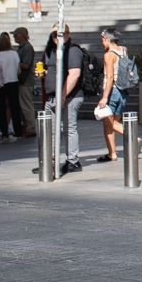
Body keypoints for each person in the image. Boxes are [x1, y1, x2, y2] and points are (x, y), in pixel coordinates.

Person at [36, 26, 84, 174]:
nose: (57, 37)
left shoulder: (73, 50)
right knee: (49, 129)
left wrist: (62, 96)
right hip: (51, 96)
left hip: (70, 96)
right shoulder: (52, 50)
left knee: (69, 128)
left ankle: (73, 161)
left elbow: (74, 74)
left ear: (68, 34)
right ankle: (49, 160)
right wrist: (42, 73)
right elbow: (51, 71)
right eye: (54, 34)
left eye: (60, 34)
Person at [93, 29, 132, 162]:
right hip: (122, 90)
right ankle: (112, 153)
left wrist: (104, 97)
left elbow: (109, 77)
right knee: (112, 122)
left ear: (108, 40)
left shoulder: (109, 55)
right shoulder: (124, 50)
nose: (102, 43)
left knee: (110, 123)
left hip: (112, 91)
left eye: (103, 40)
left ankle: (134, 137)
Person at [0, 32, 24, 141]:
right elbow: (19, 70)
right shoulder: (14, 54)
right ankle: (18, 131)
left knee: (0, 108)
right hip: (13, 82)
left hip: (0, 84)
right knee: (14, 107)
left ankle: (4, 132)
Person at [13, 26, 36, 137]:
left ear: (23, 35)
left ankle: (31, 128)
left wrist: (13, 63)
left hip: (26, 81)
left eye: (16, 34)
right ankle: (26, 127)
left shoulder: (27, 47)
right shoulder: (21, 47)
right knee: (23, 106)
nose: (14, 37)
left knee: (27, 106)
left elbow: (26, 65)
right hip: (21, 80)